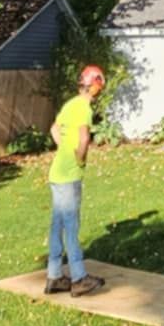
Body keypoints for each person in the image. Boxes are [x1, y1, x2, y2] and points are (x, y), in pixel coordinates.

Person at [46, 63, 107, 296]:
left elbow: (54, 129)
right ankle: (79, 277)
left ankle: (54, 276)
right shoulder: (83, 108)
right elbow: (83, 140)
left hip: (56, 172)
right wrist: (79, 158)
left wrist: (63, 149)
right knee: (71, 224)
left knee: (57, 223)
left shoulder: (70, 104)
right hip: (70, 174)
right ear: (96, 86)